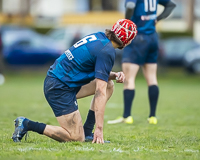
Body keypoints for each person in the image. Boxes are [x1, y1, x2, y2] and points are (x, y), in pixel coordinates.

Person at [12, 19, 137, 144]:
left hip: (62, 80)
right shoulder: (107, 51)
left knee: (109, 85)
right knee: (76, 137)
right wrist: (99, 129)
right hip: (59, 87)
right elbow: (99, 91)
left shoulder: (99, 37)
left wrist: (114, 75)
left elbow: (91, 68)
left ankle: (87, 132)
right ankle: (27, 124)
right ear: (127, 41)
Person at [107, 0, 176, 125]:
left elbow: (130, 5)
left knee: (129, 78)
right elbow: (171, 5)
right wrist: (158, 18)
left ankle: (127, 116)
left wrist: (127, 22)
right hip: (153, 37)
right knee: (152, 78)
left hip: (137, 37)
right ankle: (152, 116)